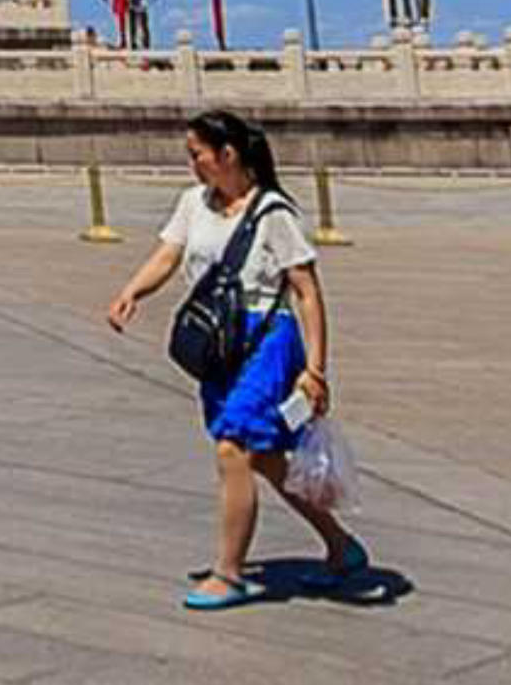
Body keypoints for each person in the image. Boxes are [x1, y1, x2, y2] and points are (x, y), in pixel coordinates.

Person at [100, 109, 363, 609]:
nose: (192, 165)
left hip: (267, 337)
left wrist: (316, 369)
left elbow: (307, 292)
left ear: (228, 154)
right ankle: (341, 546)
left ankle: (229, 573)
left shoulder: (273, 213)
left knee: (232, 447)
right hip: (219, 344)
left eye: (197, 155)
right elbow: (167, 255)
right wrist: (132, 291)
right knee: (261, 457)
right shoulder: (193, 204)